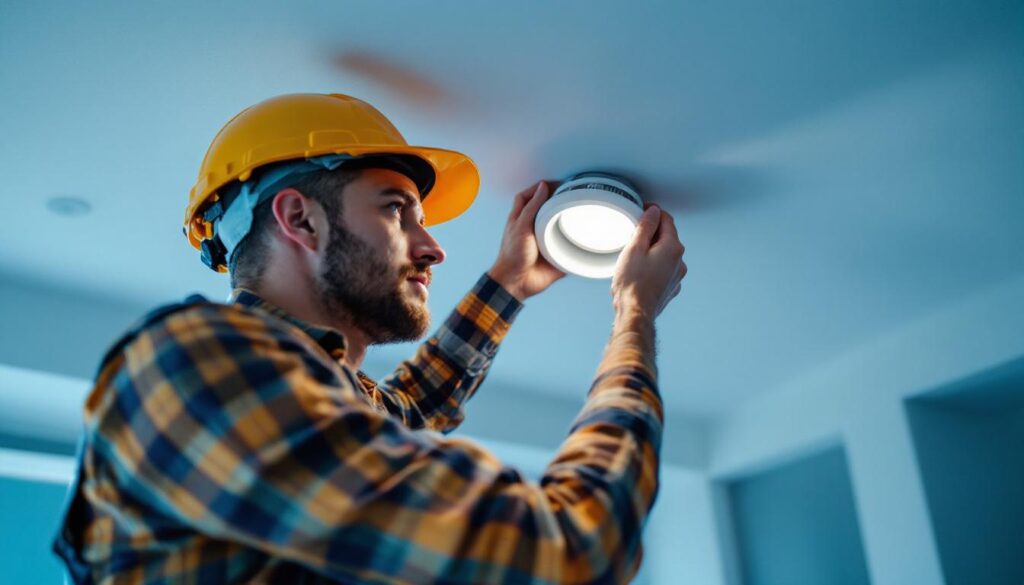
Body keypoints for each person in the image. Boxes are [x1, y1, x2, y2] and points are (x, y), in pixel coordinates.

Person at [52, 93, 687, 584]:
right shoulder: (191, 364)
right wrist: (634, 316)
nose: (433, 246)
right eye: (394, 209)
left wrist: (510, 282)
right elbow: (574, 553)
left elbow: (411, 408)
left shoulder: (289, 393)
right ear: (300, 218)